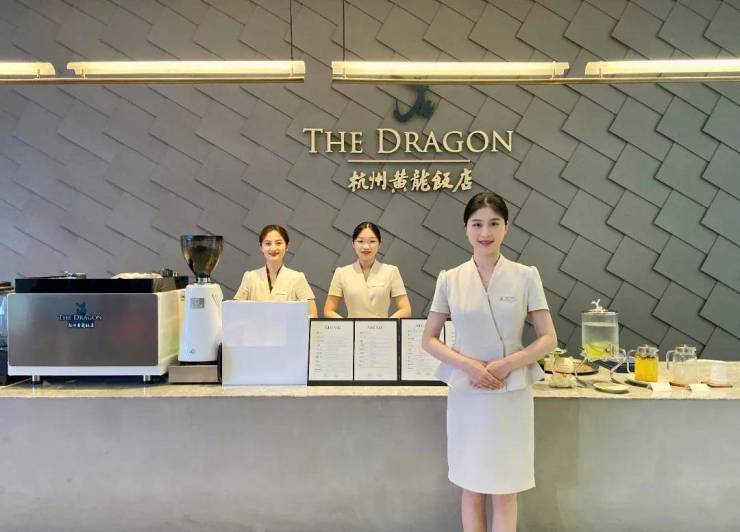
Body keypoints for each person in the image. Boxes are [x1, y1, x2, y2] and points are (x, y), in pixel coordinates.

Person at [421, 192, 557, 532]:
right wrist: (470, 366)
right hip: (468, 391)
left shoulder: (526, 276)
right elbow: (429, 340)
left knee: (506, 488)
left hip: (511, 392)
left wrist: (509, 363)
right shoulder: (450, 278)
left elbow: (548, 338)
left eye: (494, 223)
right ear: (466, 229)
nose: (486, 232)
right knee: (471, 485)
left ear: (506, 227)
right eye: (477, 224)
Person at [324, 222, 411, 318]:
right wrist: (348, 325)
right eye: (360, 241)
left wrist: (387, 324)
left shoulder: (391, 271)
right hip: (353, 327)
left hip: (382, 327)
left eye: (372, 241)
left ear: (379, 244)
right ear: (353, 244)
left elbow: (405, 309)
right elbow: (328, 311)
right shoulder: (341, 273)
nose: (366, 246)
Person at [234, 225, 318, 318]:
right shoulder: (250, 277)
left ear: (287, 246)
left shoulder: (297, 278)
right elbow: (235, 312)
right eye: (268, 243)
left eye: (278, 243)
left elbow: (312, 314)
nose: (273, 248)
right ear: (261, 247)